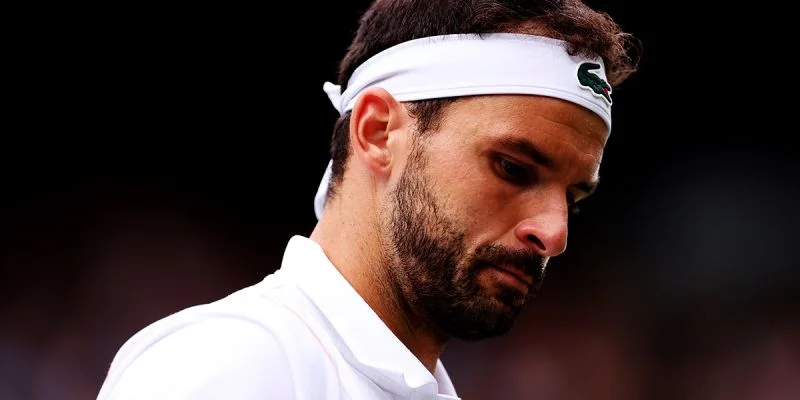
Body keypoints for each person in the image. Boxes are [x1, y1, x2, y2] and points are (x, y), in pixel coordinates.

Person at [97, 0, 640, 398]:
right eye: (513, 168)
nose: (554, 233)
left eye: (573, 197)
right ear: (378, 133)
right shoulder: (234, 365)